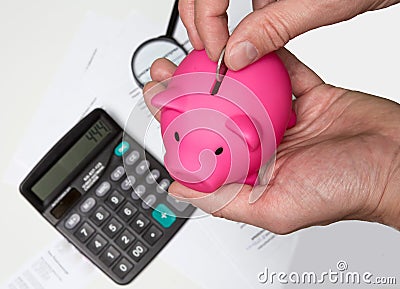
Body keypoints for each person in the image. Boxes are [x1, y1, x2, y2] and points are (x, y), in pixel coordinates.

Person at [142, 0, 400, 234]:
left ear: (248, 136)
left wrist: (387, 180)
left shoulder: (251, 133)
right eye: (177, 135)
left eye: (219, 150)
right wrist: (385, 178)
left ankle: (284, 117)